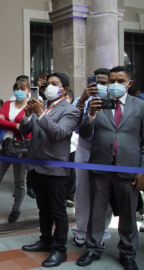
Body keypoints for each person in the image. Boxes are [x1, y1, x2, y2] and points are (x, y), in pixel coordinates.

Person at [77, 66, 144, 270]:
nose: (114, 85)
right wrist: (91, 114)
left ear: (129, 84)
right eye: (111, 81)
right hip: (100, 165)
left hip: (128, 167)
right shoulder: (98, 103)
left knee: (128, 214)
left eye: (119, 81)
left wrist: (142, 170)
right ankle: (93, 249)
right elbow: (85, 132)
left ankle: (127, 253)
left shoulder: (139, 106)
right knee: (96, 211)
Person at [20, 72, 80, 268]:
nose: (49, 87)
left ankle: (59, 249)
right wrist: (28, 115)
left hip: (56, 169)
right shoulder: (42, 105)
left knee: (58, 210)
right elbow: (24, 131)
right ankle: (45, 240)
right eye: (48, 83)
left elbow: (59, 133)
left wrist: (40, 114)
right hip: (36, 167)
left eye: (55, 84)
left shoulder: (70, 110)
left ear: (64, 89)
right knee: (43, 208)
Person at [71, 68, 113, 248]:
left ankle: (102, 231)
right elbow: (72, 121)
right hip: (85, 148)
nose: (101, 86)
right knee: (82, 192)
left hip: (107, 151)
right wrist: (82, 100)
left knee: (105, 193)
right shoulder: (83, 99)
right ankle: (81, 230)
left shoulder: (114, 102)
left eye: (105, 83)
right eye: (98, 82)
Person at [0, 78, 32, 223]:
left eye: (23, 88)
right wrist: (17, 125)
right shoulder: (7, 104)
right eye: (17, 87)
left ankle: (16, 209)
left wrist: (8, 122)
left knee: (20, 182)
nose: (19, 90)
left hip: (21, 149)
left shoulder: (30, 107)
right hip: (3, 147)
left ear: (28, 91)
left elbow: (28, 129)